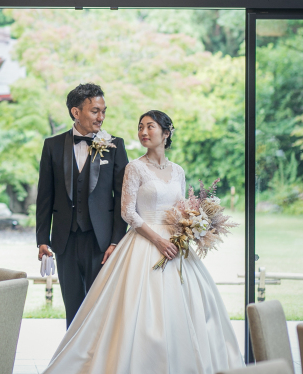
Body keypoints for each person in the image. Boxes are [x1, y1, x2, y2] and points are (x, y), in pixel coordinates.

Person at [42, 110, 244, 374]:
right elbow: (128, 212)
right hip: (143, 243)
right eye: (140, 127)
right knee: (135, 311)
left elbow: (180, 208)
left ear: (166, 133)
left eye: (150, 127)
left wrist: (191, 227)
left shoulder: (179, 171)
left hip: (176, 247)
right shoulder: (134, 167)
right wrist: (158, 241)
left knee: (185, 308)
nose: (143, 132)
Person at [35, 83, 130, 328]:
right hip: (65, 242)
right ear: (76, 113)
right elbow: (45, 196)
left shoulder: (115, 146)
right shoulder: (52, 146)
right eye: (95, 111)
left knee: (100, 308)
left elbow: (123, 197)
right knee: (73, 308)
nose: (101, 117)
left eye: (103, 111)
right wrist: (42, 239)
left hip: (102, 243)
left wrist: (116, 242)